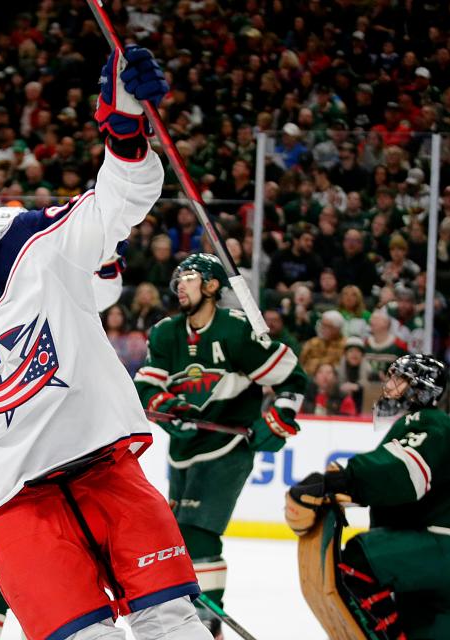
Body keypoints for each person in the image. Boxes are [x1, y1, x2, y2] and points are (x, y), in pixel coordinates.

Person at [0, 46, 213, 640]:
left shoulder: (37, 247)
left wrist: (125, 129)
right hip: (18, 510)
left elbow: (116, 203)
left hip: (110, 476)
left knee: (173, 622)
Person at [133, 253, 307, 636]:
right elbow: (146, 385)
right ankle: (190, 615)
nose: (180, 284)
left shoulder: (235, 331)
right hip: (183, 452)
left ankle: (209, 622)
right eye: (178, 278)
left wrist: (279, 417)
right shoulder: (165, 333)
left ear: (212, 286)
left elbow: (291, 378)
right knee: (177, 535)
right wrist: (168, 406)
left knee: (197, 535)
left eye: (190, 277)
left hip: (228, 447)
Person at [285, 354, 450, 639]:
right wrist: (343, 491)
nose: (388, 385)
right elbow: (397, 490)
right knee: (425, 628)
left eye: (398, 378)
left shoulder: (429, 421)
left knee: (361, 558)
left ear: (420, 388)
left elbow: (401, 470)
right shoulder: (426, 427)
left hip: (446, 544)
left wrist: (342, 480)